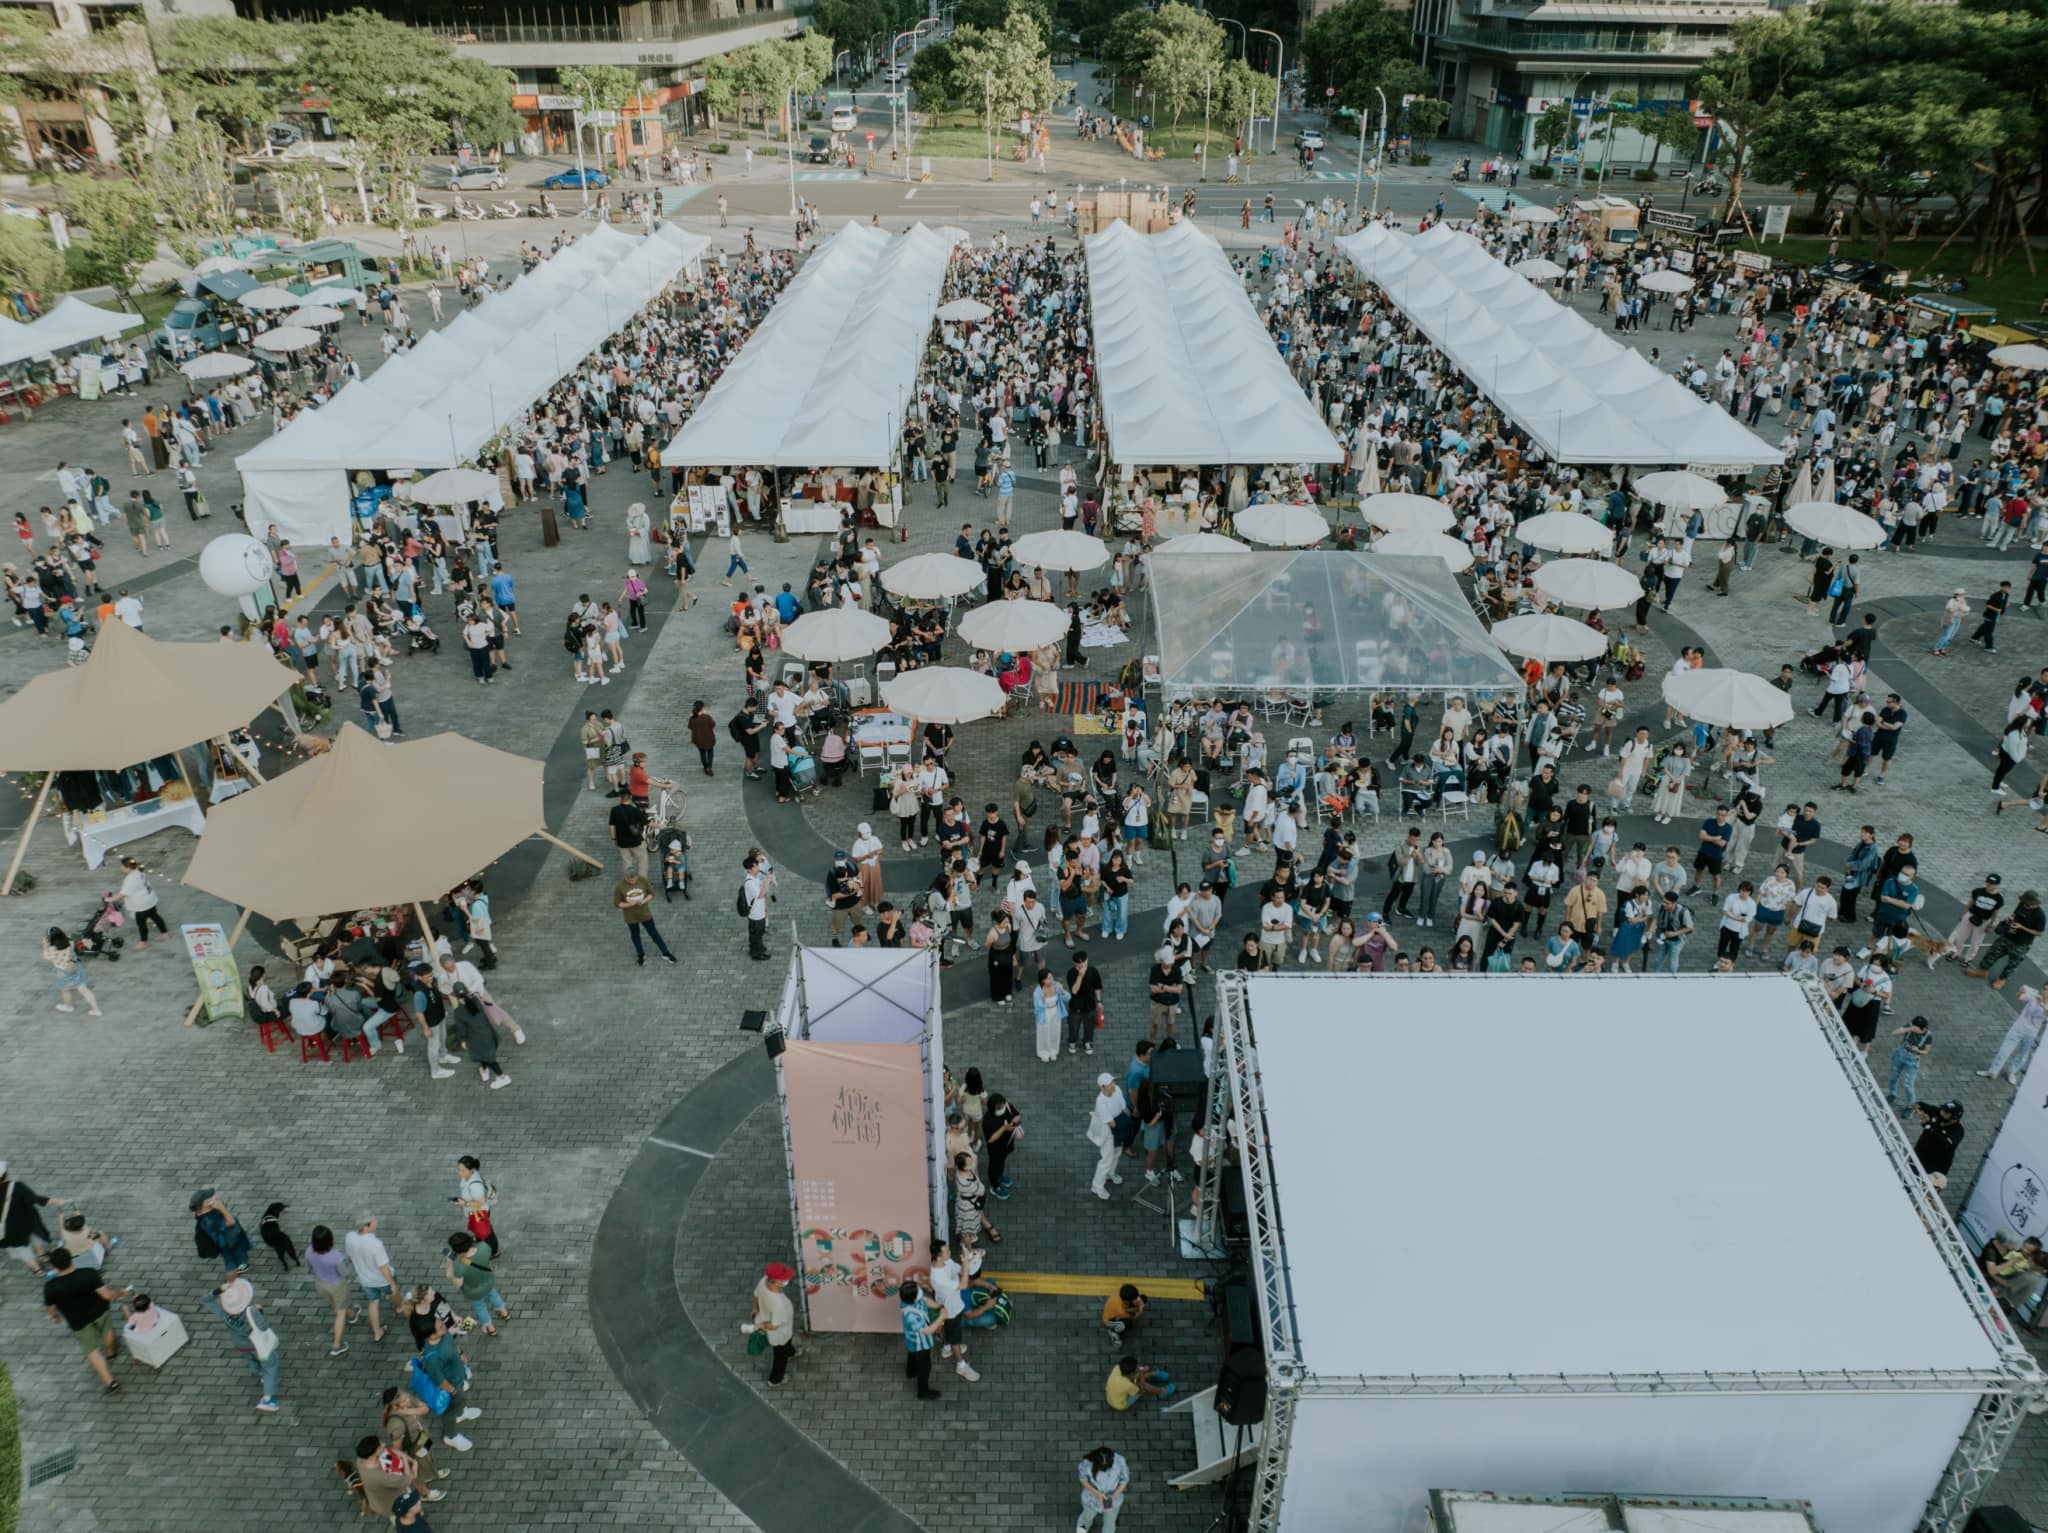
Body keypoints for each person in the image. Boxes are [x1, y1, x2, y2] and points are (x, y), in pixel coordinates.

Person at [43, 1246, 130, 1393]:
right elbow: (107, 1295)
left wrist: (55, 1316)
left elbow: (51, 1308)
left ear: (54, 1266)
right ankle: (111, 1353)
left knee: (92, 1350)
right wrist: (120, 1293)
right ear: (71, 1259)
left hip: (78, 1321)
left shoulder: (50, 1287)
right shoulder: (88, 1273)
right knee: (107, 1331)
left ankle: (110, 1383)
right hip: (100, 1312)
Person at [203, 1275, 281, 1413]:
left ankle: (259, 1373)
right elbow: (263, 1326)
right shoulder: (252, 1311)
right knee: (270, 1366)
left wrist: (218, 1291)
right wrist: (260, 1311)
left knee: (251, 1360)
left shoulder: (224, 1314)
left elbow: (206, 1300)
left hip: (241, 1345)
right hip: (256, 1345)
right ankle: (267, 1399)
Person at [345, 1214, 397, 1343]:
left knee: (373, 1302)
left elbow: (350, 1257)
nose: (376, 1222)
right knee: (393, 1294)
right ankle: (400, 1307)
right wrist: (392, 1284)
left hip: (366, 1280)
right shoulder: (376, 1244)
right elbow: (383, 1267)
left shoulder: (350, 1237)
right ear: (366, 1227)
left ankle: (377, 1332)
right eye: (374, 1221)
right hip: (382, 1280)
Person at [613, 871, 676, 965]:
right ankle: (641, 955)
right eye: (630, 880)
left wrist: (644, 900)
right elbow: (617, 903)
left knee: (654, 933)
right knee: (635, 935)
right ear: (626, 877)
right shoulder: (619, 887)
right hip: (630, 916)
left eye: (634, 879)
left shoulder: (643, 880)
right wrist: (630, 904)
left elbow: (651, 894)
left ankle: (666, 953)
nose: (633, 881)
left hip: (645, 913)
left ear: (637, 876)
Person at [898, 1278, 943, 1400]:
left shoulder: (908, 1299)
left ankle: (911, 1372)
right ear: (914, 1299)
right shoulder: (911, 1316)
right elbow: (928, 1331)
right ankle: (923, 1392)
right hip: (920, 1344)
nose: (921, 1291)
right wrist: (941, 1317)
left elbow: (926, 1301)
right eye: (918, 1291)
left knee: (912, 1354)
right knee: (925, 1367)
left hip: (911, 1340)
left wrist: (938, 1305)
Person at [1087, 1072, 1127, 1200]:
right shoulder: (1101, 1102)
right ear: (1102, 1087)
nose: (1113, 1085)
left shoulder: (1117, 1089)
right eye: (1110, 1084)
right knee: (1106, 1159)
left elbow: (1123, 1107)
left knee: (1117, 1152)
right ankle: (1097, 1186)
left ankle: (1110, 1173)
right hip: (1108, 1133)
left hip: (1116, 1127)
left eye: (1113, 1082)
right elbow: (1112, 1123)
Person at [1076, 1447, 1130, 1532]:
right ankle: (1082, 1528)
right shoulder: (1087, 1463)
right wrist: (1097, 1494)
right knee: (1087, 1516)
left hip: (1112, 1500)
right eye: (1102, 1466)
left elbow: (1124, 1481)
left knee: (1110, 1523)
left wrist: (1114, 1497)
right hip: (1091, 1498)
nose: (1105, 1469)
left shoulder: (1120, 1461)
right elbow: (1083, 1479)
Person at [1106, 1354, 1174, 1409]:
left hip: (1111, 1397)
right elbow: (1140, 1390)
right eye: (1136, 1368)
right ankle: (1163, 1391)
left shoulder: (1117, 1368)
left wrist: (1141, 1370)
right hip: (1119, 1404)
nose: (1138, 1368)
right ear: (1131, 1373)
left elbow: (1134, 1373)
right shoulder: (1128, 1385)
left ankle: (1155, 1374)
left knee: (1138, 1377)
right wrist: (1141, 1373)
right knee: (1143, 1386)